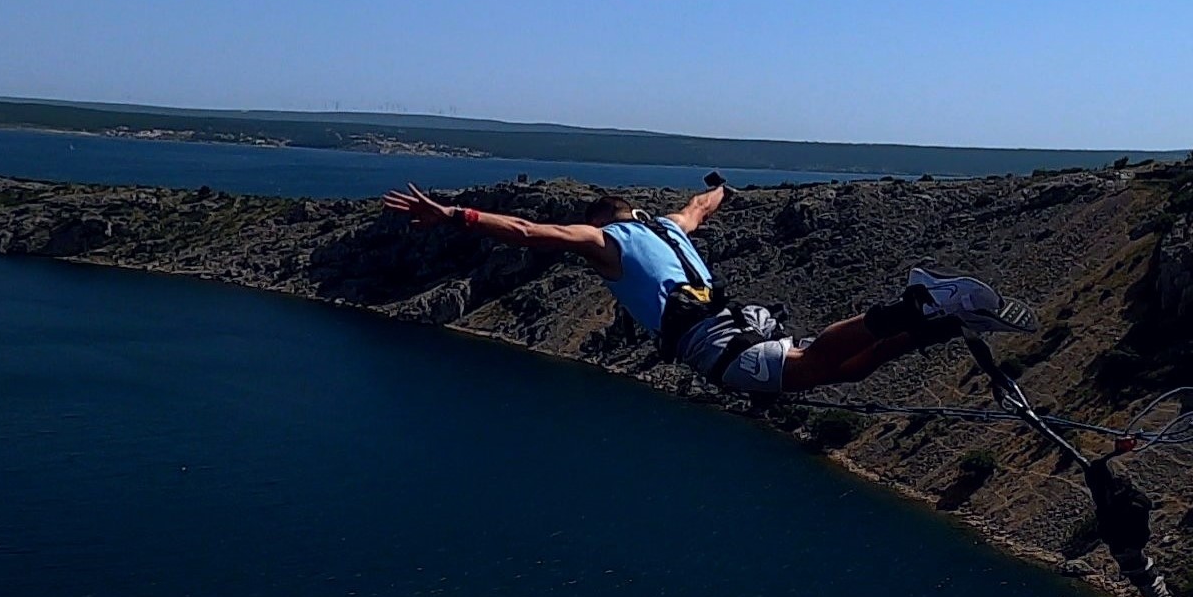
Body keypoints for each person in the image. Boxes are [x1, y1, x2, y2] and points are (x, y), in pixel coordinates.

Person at [381, 175, 1033, 396]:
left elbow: (526, 229)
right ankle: (940, 321)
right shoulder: (668, 223)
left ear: (600, 218)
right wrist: (721, 184)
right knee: (845, 372)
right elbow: (702, 203)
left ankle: (912, 303)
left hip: (713, 340)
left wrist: (455, 215)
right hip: (735, 319)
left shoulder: (604, 240)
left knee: (816, 362)